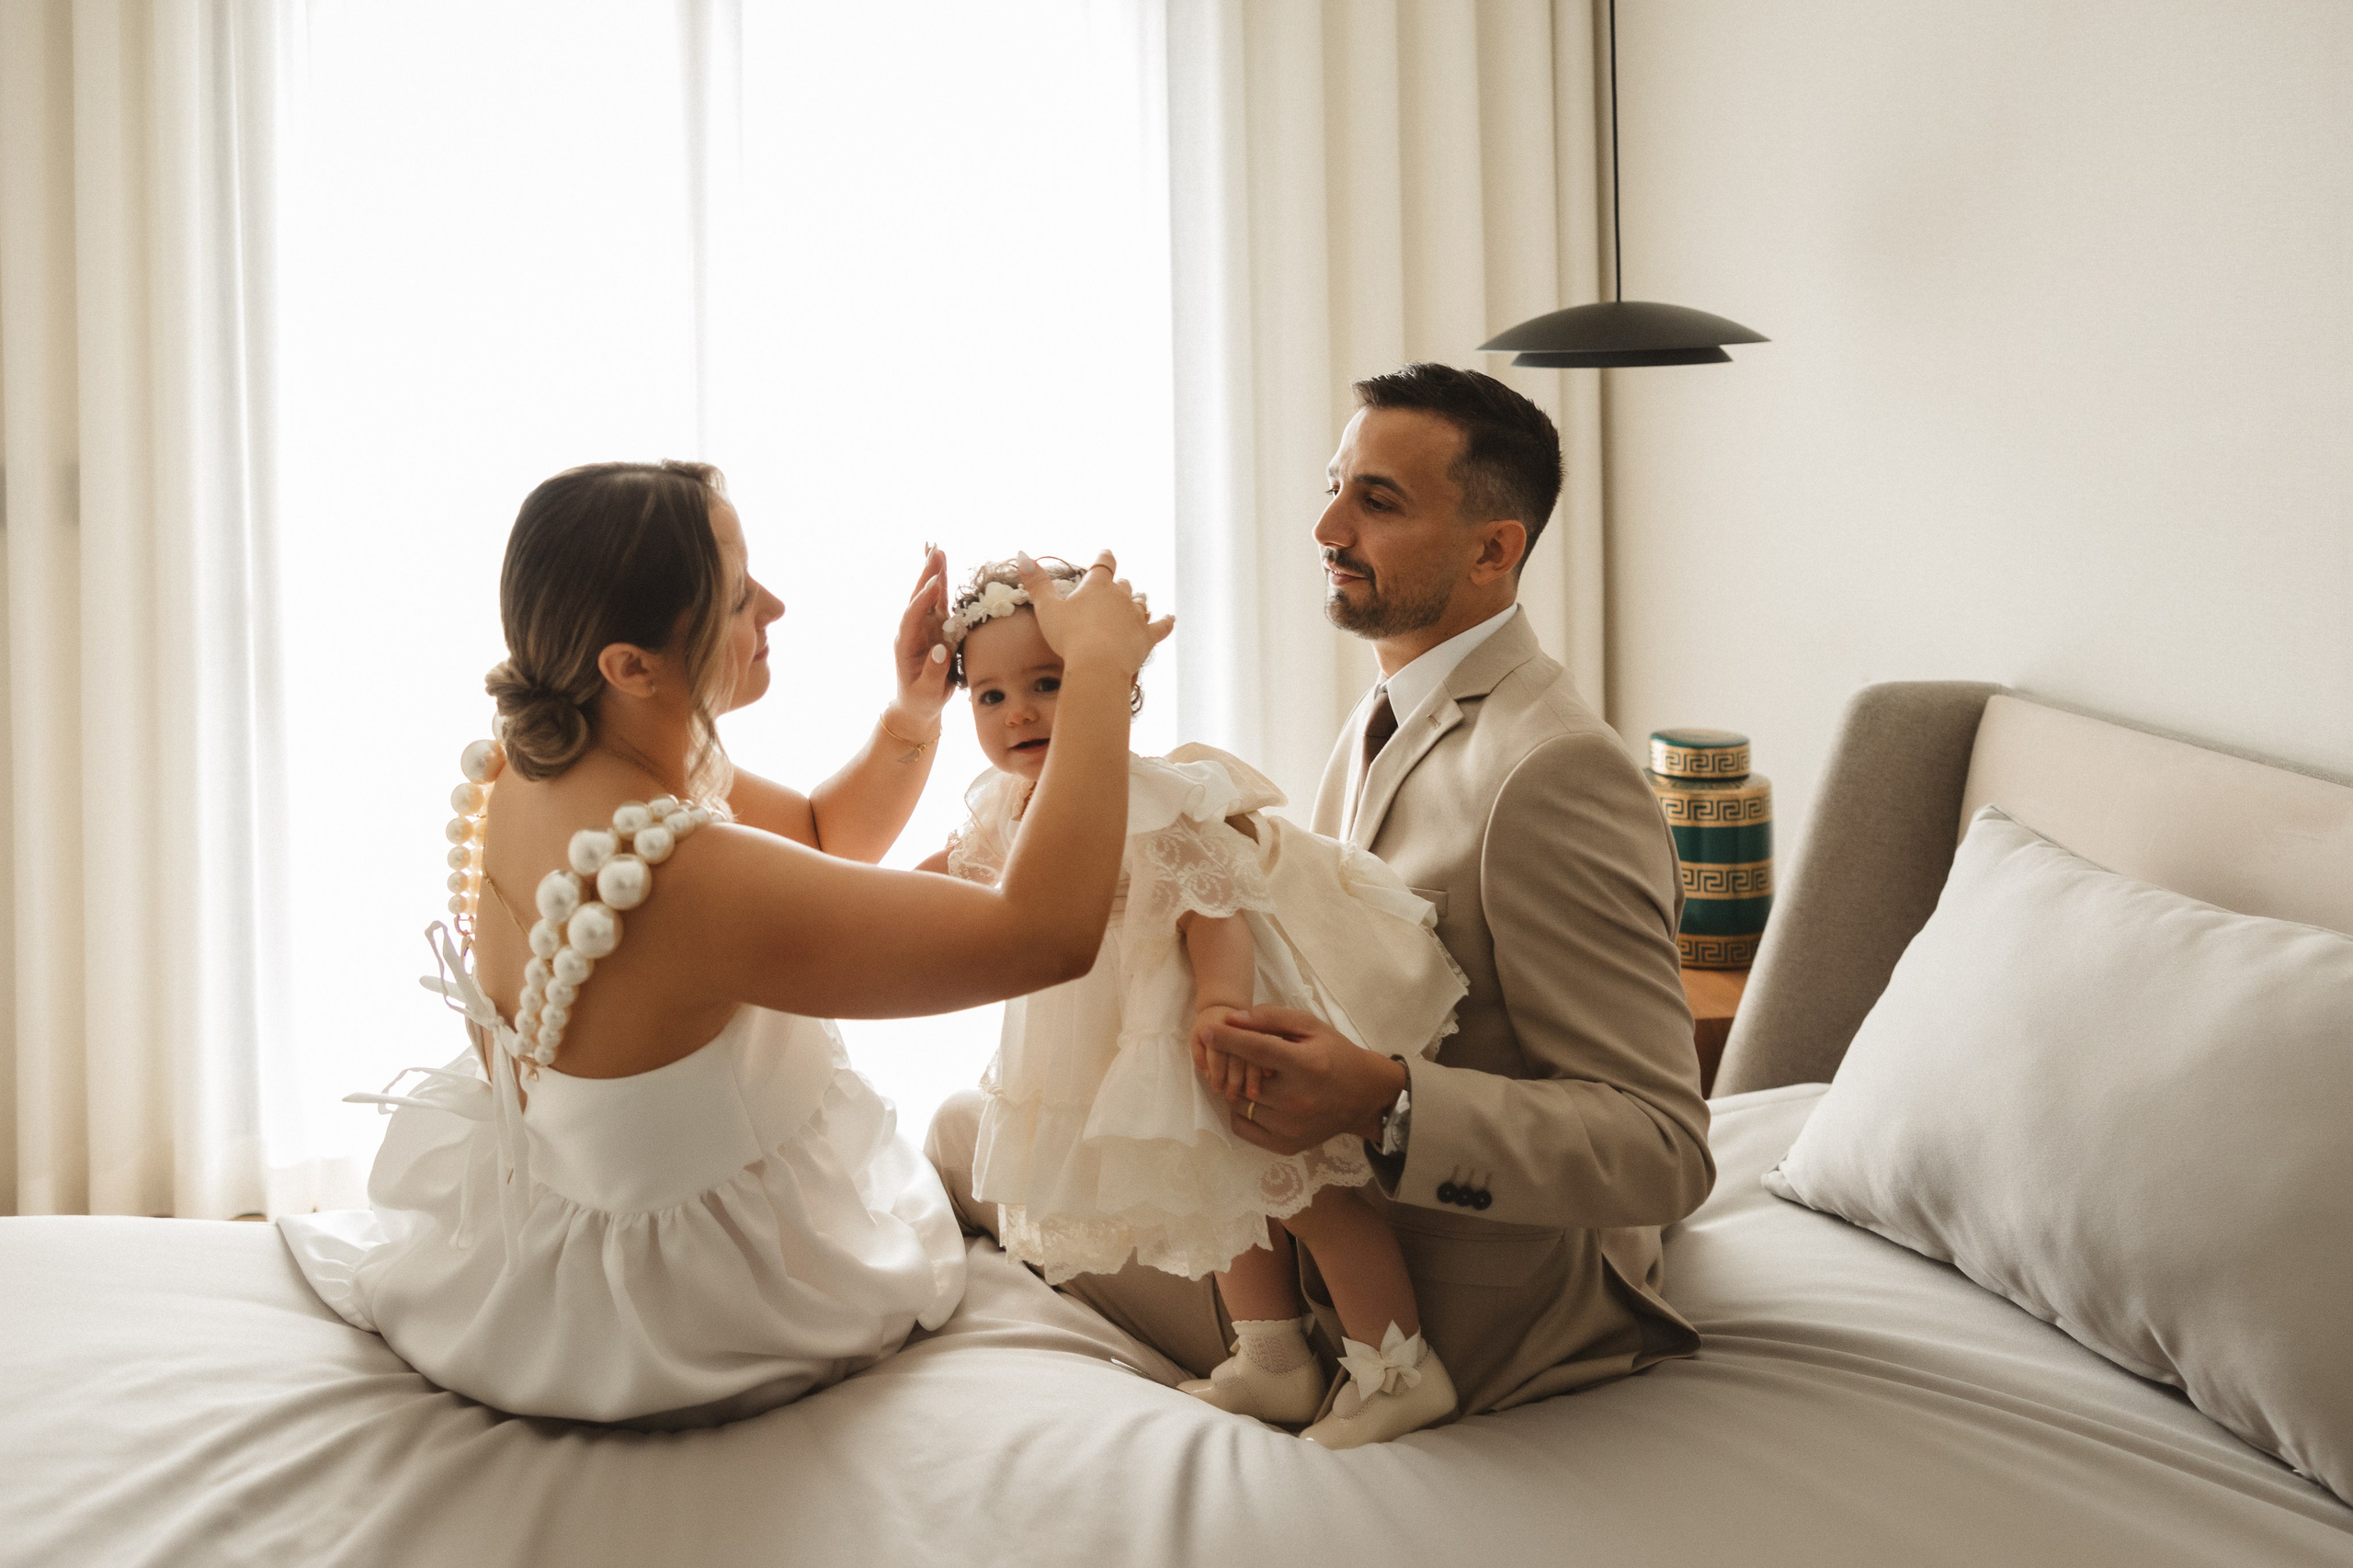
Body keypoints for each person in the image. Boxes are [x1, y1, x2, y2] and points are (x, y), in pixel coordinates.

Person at [278, 460, 1168, 1427]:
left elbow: (821, 837)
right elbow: (1043, 933)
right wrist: (1097, 677)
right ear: (632, 664)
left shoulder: (552, 750)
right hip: (682, 1314)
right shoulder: (679, 877)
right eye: (741, 594)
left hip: (533, 1229)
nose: (775, 605)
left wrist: (914, 711)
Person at [927, 363, 1713, 1425]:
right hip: (1324, 1210)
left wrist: (1379, 1100)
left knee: (965, 1142)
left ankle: (1348, 1357)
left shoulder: (1554, 770)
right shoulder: (1391, 707)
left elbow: (1663, 1146)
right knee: (978, 1120)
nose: (1325, 524)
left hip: (1459, 1299)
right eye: (1333, 484)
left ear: (1494, 548)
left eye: (1376, 500)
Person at [926, 559, 1470, 1447]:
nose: (1018, 712)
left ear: (1116, 686)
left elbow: (1213, 904)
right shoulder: (1009, 806)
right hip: (1116, 1037)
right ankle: (1274, 1362)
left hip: (1198, 1021)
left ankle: (1402, 1370)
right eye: (988, 696)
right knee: (1220, 1201)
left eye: (1047, 683)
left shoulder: (1147, 795)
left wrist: (1218, 1007)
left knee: (1304, 1192)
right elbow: (945, 885)